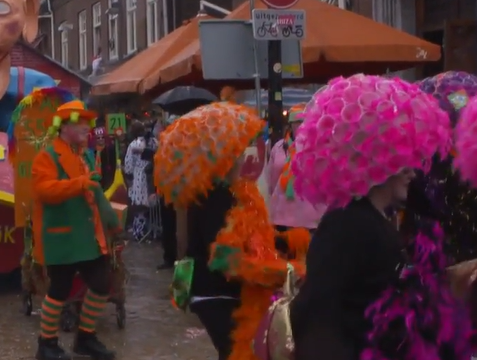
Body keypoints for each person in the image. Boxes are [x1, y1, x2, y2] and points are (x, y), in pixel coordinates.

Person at [290, 75, 471, 360]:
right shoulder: (345, 225)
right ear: (377, 162)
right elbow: (319, 314)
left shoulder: (373, 219)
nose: (413, 171)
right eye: (403, 161)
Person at [154, 102, 306, 360]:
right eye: (237, 150)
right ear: (224, 157)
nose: (242, 154)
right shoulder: (215, 198)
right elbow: (226, 259)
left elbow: (254, 237)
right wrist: (283, 271)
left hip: (230, 290)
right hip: (214, 292)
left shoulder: (238, 191)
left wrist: (290, 241)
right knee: (239, 353)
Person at [32, 100, 119, 360]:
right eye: (79, 123)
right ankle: (46, 344)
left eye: (87, 123)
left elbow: (94, 193)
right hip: (62, 235)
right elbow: (44, 191)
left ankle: (86, 338)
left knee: (102, 284)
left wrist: (111, 223)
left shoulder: (87, 155)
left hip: (88, 236)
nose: (86, 127)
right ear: (64, 127)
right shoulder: (47, 156)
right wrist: (79, 184)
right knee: (59, 289)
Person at [266, 103, 325, 231]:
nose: (300, 125)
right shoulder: (279, 147)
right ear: (290, 125)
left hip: (310, 215)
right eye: (296, 122)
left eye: (303, 121)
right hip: (282, 213)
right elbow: (272, 180)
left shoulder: (317, 147)